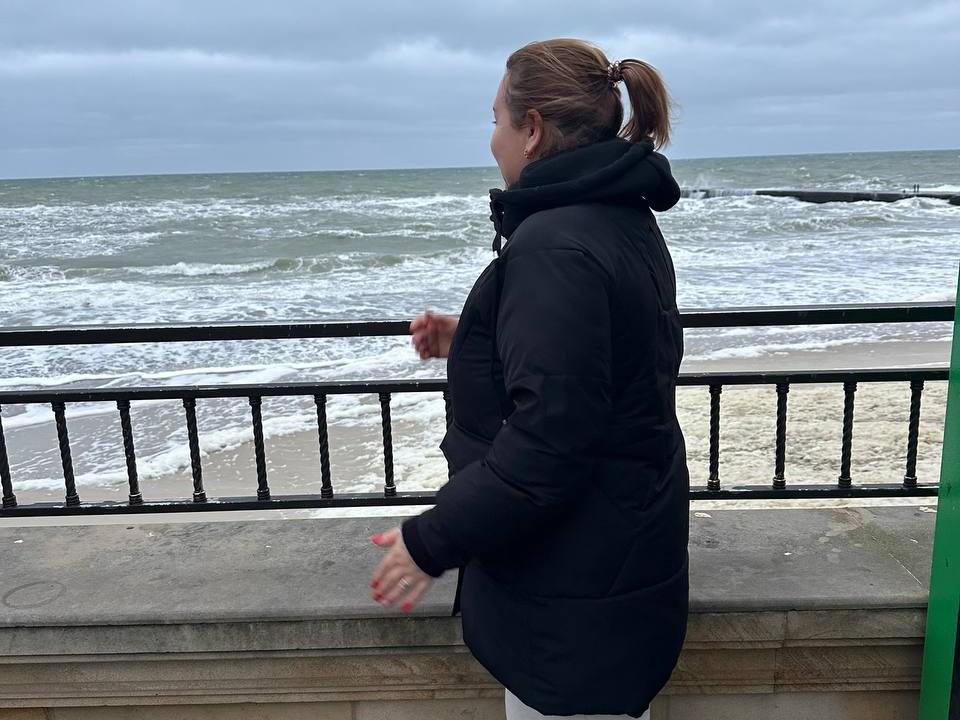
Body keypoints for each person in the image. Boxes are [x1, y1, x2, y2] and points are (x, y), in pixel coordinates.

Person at [370, 38, 689, 719]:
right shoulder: (619, 218)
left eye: (496, 120)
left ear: (534, 127)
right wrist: (477, 340)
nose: (492, 140)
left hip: (576, 595)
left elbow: (548, 445)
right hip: (615, 565)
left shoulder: (556, 245)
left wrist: (428, 542)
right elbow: (613, 358)